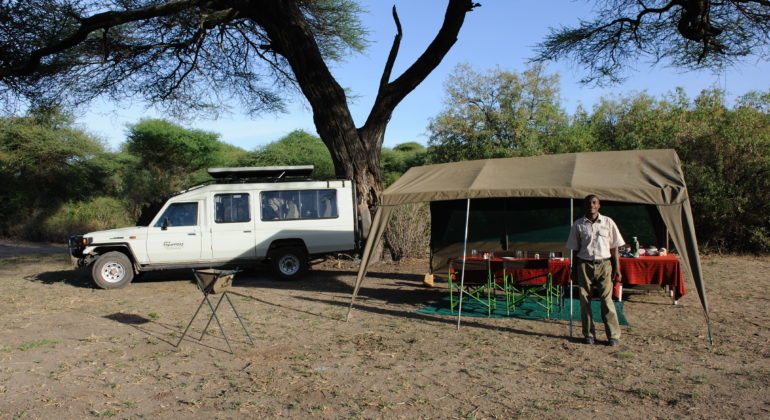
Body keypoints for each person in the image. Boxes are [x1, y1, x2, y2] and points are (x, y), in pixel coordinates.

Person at [566, 194, 625, 346]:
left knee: (607, 300)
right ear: (584, 206)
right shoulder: (578, 225)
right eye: (588, 203)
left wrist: (617, 268)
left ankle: (613, 336)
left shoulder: (608, 222)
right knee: (585, 301)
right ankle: (588, 334)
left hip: (605, 265)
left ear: (599, 205)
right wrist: (573, 269)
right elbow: (574, 249)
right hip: (584, 265)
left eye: (594, 203)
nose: (591, 205)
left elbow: (615, 247)